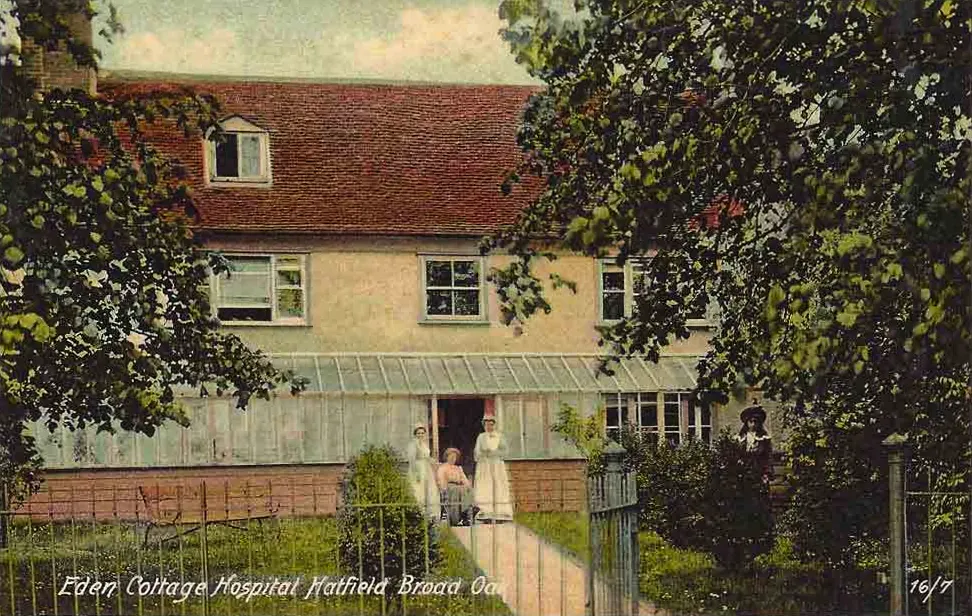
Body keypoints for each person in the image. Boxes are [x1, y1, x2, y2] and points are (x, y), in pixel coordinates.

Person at [472, 405, 514, 523]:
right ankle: (485, 512)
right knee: (486, 486)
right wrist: (483, 453)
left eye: (491, 424)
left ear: (494, 425)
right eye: (486, 424)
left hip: (496, 465)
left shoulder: (500, 437)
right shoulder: (481, 437)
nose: (489, 426)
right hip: (485, 465)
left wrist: (495, 453)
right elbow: (476, 452)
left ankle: (501, 512)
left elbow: (505, 452)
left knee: (498, 485)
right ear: (484, 425)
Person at [405, 423, 440, 521]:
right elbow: (412, 460)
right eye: (418, 433)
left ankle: (428, 514)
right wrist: (416, 474)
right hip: (418, 469)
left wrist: (434, 462)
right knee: (418, 490)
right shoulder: (413, 445)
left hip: (426, 468)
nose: (420, 435)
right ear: (415, 434)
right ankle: (419, 512)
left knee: (429, 490)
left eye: (422, 433)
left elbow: (427, 457)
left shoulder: (424, 444)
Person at [436, 447, 472, 526]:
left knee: (465, 489)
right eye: (451, 456)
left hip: (458, 487)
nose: (453, 459)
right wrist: (443, 489)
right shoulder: (443, 468)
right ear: (446, 457)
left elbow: (464, 479)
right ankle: (463, 514)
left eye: (454, 457)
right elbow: (441, 480)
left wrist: (468, 486)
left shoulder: (458, 468)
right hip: (448, 487)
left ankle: (466, 512)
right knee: (457, 490)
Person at [737, 403, 773, 482]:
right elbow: (736, 455)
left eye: (755, 422)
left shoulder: (764, 439)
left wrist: (766, 474)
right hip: (743, 474)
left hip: (759, 473)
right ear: (746, 422)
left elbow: (768, 457)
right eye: (751, 421)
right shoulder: (740, 438)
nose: (753, 424)